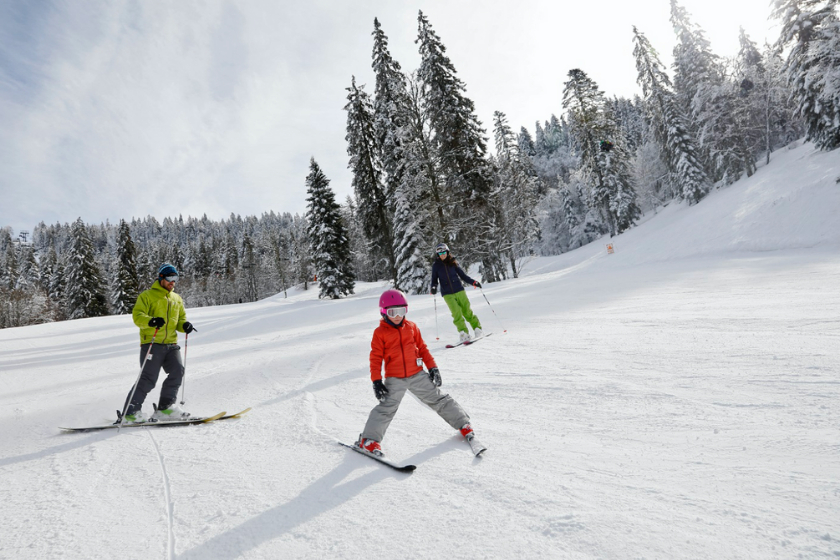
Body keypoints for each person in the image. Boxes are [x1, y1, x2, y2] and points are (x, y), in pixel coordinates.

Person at [355, 288, 476, 456]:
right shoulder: (380, 333)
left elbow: (423, 348)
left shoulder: (411, 327)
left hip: (417, 374)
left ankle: (463, 423)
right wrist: (376, 381)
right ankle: (368, 440)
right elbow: (375, 358)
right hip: (395, 378)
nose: (397, 316)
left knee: (438, 399)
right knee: (387, 407)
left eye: (401, 311)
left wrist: (432, 367)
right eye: (392, 312)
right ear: (383, 313)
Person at [120, 263, 195, 423]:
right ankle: (130, 413)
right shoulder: (147, 296)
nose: (172, 282)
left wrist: (185, 326)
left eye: (175, 279)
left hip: (171, 344)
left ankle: (165, 408)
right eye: (169, 278)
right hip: (152, 343)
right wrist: (151, 321)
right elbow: (137, 316)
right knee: (148, 378)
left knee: (177, 372)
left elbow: (180, 320)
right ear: (161, 278)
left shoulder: (176, 299)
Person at [429, 242, 483, 343]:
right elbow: (434, 280)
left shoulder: (453, 263)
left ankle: (477, 329)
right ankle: (464, 333)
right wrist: (433, 287)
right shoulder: (436, 266)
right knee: (456, 313)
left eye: (444, 252)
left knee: (466, 311)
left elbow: (463, 276)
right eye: (440, 254)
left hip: (459, 290)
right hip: (447, 293)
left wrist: (473, 282)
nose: (443, 255)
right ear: (438, 255)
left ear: (447, 252)